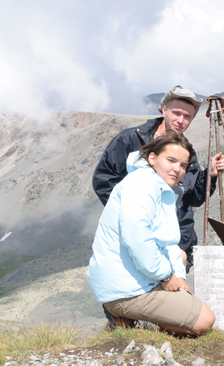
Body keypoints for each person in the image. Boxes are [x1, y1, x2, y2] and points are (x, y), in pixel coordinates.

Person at [87, 132, 216, 335]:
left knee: (182, 258)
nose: (177, 169)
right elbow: (137, 238)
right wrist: (165, 276)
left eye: (183, 165)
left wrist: (179, 278)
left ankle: (130, 320)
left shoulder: (161, 187)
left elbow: (169, 244)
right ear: (152, 158)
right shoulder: (141, 184)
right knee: (205, 321)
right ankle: (124, 313)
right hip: (124, 287)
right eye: (171, 160)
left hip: (140, 278)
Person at [93, 86, 224, 265]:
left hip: (178, 244)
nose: (181, 120)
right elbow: (103, 181)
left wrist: (210, 174)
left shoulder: (187, 152)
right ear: (164, 109)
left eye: (187, 116)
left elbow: (194, 196)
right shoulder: (130, 140)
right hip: (137, 242)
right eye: (176, 113)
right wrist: (134, 213)